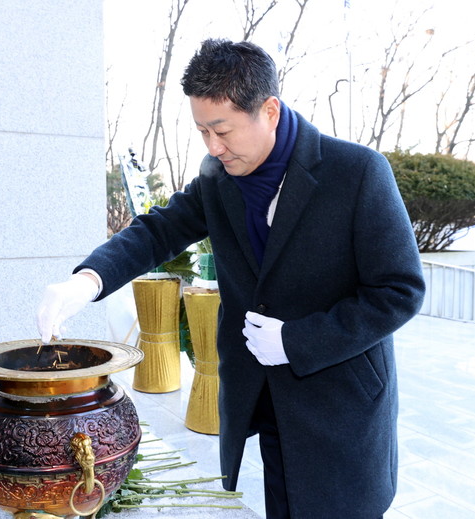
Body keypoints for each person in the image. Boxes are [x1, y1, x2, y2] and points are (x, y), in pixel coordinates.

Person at [37, 39, 425, 518]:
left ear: (269, 111)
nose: (213, 147)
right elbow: (159, 230)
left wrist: (297, 341)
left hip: (340, 398)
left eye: (222, 130)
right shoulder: (219, 177)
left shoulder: (357, 172)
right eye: (202, 131)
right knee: (284, 503)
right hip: (266, 394)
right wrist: (87, 281)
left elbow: (400, 291)